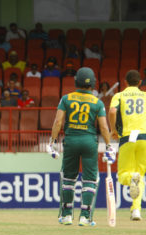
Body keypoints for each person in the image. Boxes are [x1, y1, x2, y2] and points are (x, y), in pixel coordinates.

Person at [47, 67, 115, 226]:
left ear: (76, 81)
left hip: (71, 141)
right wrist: (109, 146)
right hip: (89, 142)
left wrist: (52, 141)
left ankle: (66, 215)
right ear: (93, 83)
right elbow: (104, 128)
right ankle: (85, 216)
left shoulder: (66, 99)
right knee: (90, 179)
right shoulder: (97, 102)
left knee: (68, 178)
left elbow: (58, 122)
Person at [109, 59, 146, 221]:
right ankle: (136, 210)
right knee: (140, 176)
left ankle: (132, 180)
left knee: (123, 176)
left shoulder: (119, 95)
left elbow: (113, 112)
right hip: (143, 138)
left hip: (127, 137)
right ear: (140, 82)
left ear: (125, 82)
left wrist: (113, 130)